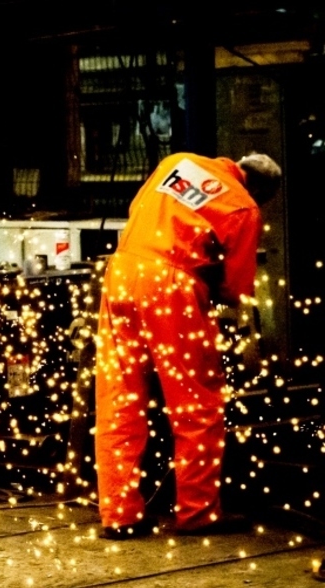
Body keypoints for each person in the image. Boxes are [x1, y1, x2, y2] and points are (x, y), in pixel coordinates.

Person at [93, 151, 282, 539]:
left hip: (122, 272)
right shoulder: (244, 207)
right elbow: (235, 288)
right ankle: (197, 512)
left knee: (120, 397)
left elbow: (138, 209)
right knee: (196, 404)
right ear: (260, 191)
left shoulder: (177, 162)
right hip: (172, 285)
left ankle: (119, 514)